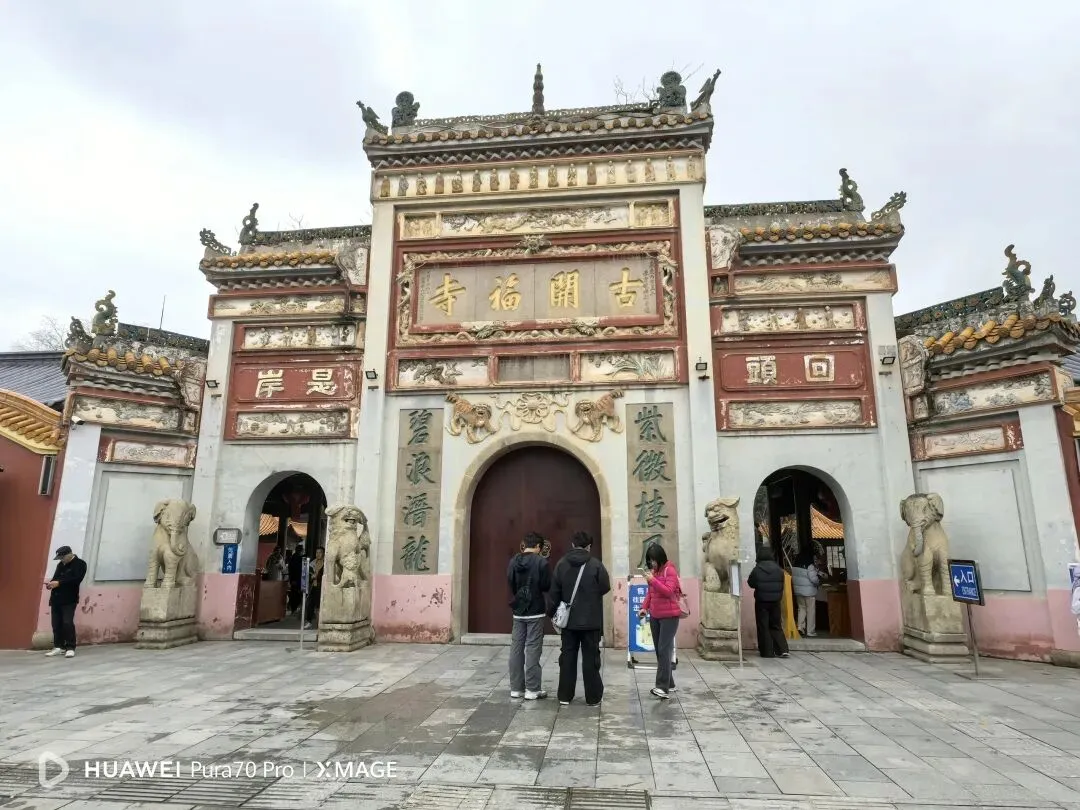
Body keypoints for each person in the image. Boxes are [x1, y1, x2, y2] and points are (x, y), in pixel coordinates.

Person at [548, 531, 610, 706]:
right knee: (591, 658)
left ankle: (565, 695)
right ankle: (593, 697)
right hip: (591, 621)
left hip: (569, 622)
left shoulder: (561, 564)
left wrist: (552, 613)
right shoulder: (596, 565)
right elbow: (605, 587)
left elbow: (554, 592)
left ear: (573, 545)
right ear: (589, 546)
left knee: (567, 657)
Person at [507, 532, 551, 700]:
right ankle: (532, 689)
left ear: (524, 545)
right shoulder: (541, 562)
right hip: (536, 610)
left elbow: (511, 582)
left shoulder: (513, 561)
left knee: (516, 648)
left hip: (519, 610)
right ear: (538, 546)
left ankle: (516, 688)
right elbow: (546, 585)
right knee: (533, 648)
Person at [637, 543, 683, 700]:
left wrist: (653, 580)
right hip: (655, 616)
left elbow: (669, 591)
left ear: (660, 558)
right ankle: (670, 683)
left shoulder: (670, 570)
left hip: (669, 617)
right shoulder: (654, 572)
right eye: (650, 560)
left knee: (664, 649)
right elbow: (651, 593)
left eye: (654, 560)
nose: (652, 563)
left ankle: (662, 687)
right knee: (660, 650)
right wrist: (644, 608)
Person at [44, 545, 87, 658]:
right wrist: (51, 584)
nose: (61, 560)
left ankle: (70, 647)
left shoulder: (80, 564)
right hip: (56, 598)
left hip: (69, 599)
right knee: (56, 623)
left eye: (62, 557)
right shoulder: (60, 565)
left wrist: (59, 583)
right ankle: (58, 646)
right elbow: (55, 578)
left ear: (69, 554)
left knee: (67, 622)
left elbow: (76, 579)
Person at [748, 546, 789, 658]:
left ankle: (767, 651)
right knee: (776, 625)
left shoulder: (757, 569)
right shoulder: (779, 570)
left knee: (763, 626)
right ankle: (782, 649)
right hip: (776, 601)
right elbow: (781, 584)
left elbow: (751, 583)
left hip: (762, 601)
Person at [791, 549, 821, 637]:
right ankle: (810, 631)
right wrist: (818, 581)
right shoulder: (810, 566)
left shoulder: (795, 566)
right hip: (809, 592)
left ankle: (800, 627)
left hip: (798, 592)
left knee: (801, 609)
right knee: (810, 611)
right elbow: (814, 579)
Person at [304, 546, 324, 629]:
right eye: (317, 552)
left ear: (323, 554)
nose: (318, 554)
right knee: (310, 604)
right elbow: (307, 574)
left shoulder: (325, 563)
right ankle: (309, 621)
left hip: (321, 587)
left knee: (319, 606)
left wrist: (318, 576)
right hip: (313, 586)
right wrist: (311, 577)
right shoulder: (312, 563)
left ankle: (320, 623)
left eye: (320, 552)